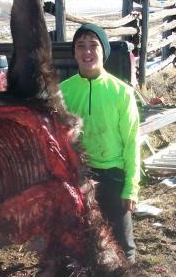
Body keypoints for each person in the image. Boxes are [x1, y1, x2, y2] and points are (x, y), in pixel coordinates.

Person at [60, 23, 140, 263]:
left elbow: (132, 142)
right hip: (79, 178)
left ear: (103, 51)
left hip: (113, 176)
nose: (87, 52)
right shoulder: (63, 92)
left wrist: (131, 187)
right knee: (82, 243)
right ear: (74, 53)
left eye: (93, 45)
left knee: (123, 245)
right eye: (80, 46)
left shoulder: (121, 93)